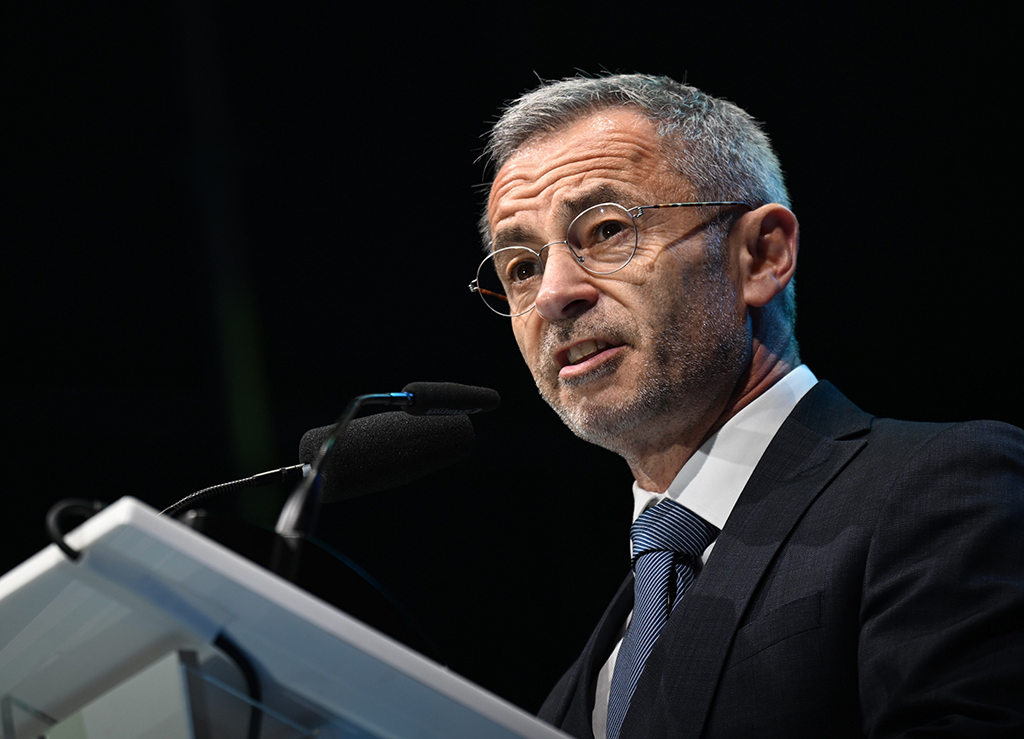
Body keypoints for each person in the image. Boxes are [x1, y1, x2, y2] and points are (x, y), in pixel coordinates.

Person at [470, 74, 1023, 738]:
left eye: (607, 229)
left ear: (762, 255)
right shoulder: (585, 675)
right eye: (521, 267)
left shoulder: (945, 487)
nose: (554, 293)